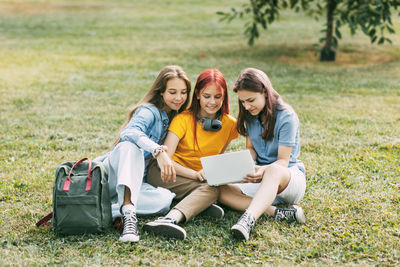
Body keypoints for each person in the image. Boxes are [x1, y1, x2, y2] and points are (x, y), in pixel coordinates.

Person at [95, 65, 191, 243]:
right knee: (130, 147)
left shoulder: (177, 117)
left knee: (164, 200)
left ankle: (103, 208)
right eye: (172, 92)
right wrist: (158, 151)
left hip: (134, 183)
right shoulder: (149, 111)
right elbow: (130, 132)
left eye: (183, 92)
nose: (179, 98)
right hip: (110, 177)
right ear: (161, 92)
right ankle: (129, 216)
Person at [143, 68, 239, 240]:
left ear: (224, 97)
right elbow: (165, 161)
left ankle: (199, 204)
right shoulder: (182, 120)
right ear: (197, 95)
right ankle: (169, 219)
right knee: (213, 189)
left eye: (218, 97)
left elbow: (217, 158)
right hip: (164, 172)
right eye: (206, 96)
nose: (212, 102)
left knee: (221, 188)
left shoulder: (230, 125)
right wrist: (195, 175)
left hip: (195, 178)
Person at [218, 68, 306, 241]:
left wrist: (263, 171)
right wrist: (244, 164)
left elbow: (282, 161)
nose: (246, 106)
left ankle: (247, 220)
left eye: (251, 100)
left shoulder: (286, 117)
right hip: (261, 180)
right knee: (219, 190)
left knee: (273, 170)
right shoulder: (250, 115)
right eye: (243, 102)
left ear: (265, 92)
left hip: (287, 180)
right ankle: (278, 213)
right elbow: (251, 149)